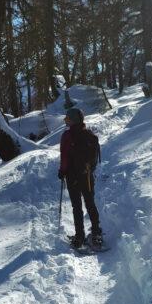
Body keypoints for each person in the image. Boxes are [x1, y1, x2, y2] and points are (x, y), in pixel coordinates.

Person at [58, 107, 102, 249]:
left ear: (73, 120)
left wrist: (62, 171)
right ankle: (96, 234)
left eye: (68, 118)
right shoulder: (89, 135)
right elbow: (94, 159)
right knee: (90, 203)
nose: (66, 121)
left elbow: (64, 157)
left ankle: (80, 237)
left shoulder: (67, 136)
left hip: (72, 177)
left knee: (77, 206)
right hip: (87, 176)